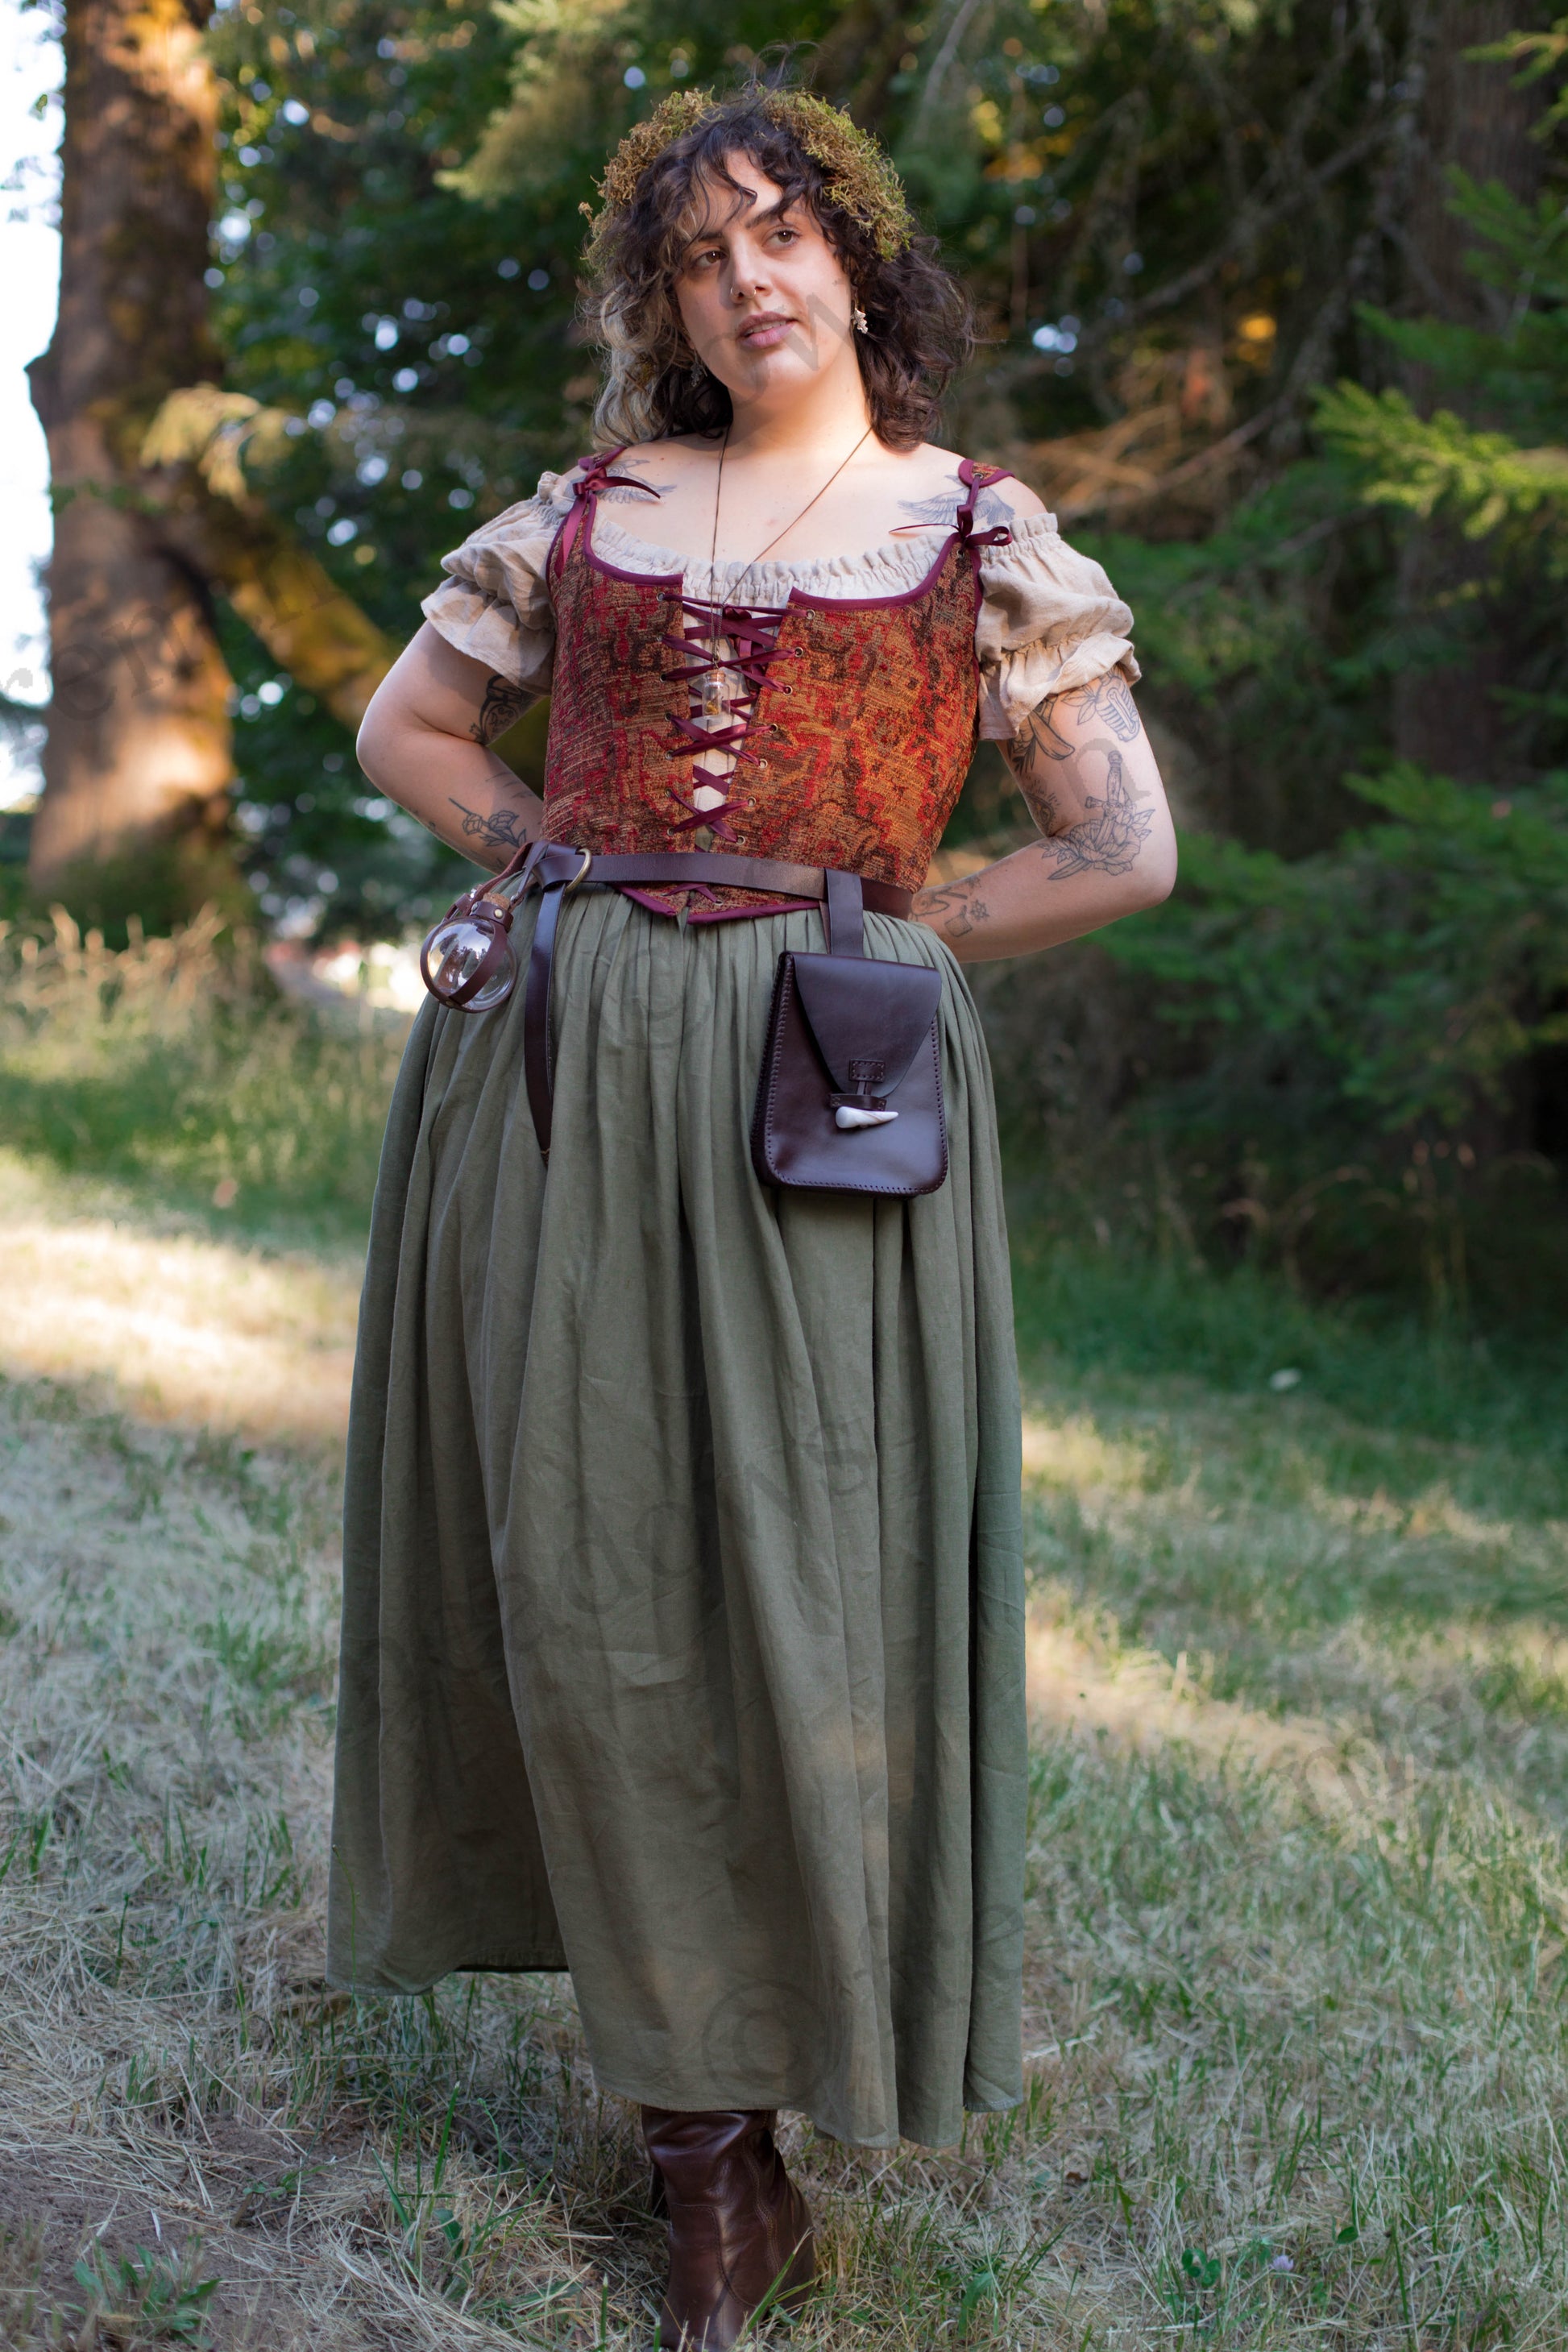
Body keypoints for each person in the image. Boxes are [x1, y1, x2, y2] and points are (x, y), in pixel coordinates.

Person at [334, 81, 1175, 2350]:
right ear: (662, 299)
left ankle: (765, 2102)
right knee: (579, 1556)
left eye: (783, 232)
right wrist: (559, 861)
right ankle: (706, 2158)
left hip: (827, 1079)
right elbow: (405, 735)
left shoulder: (968, 524)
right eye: (699, 255)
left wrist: (888, 936)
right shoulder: (591, 509)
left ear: (858, 261)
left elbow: (1116, 846)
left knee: (798, 1573)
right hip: (563, 1062)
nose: (747, 279)